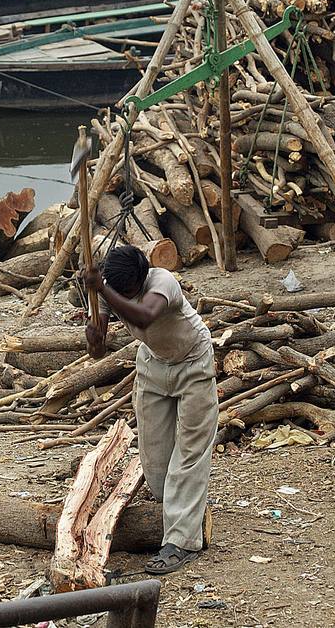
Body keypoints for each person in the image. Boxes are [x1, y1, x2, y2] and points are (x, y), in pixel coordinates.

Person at [85, 244, 218, 575]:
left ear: (139, 281)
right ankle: (183, 508)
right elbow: (98, 350)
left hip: (193, 362)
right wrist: (95, 338)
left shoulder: (162, 282)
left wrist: (101, 289)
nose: (117, 295)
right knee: (157, 467)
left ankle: (182, 544)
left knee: (189, 452)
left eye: (123, 292)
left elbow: (144, 315)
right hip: (153, 364)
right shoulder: (109, 287)